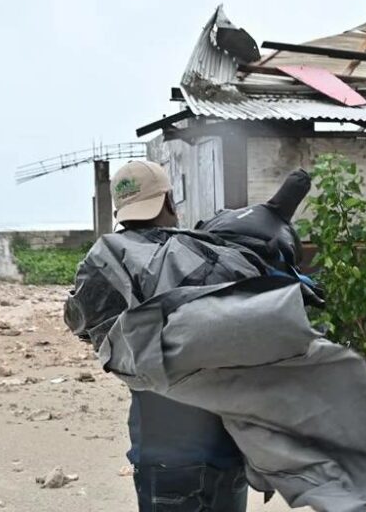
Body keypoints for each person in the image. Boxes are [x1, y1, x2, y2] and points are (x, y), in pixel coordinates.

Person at [73, 160, 248, 512]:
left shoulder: (106, 263)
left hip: (162, 454)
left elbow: (82, 326)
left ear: (120, 212)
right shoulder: (211, 254)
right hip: (228, 448)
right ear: (169, 200)